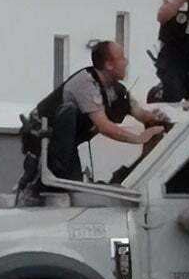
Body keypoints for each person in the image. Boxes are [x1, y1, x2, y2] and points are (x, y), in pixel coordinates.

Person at [21, 41, 165, 185]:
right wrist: (139, 138)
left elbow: (138, 112)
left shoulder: (115, 90)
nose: (126, 63)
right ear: (109, 65)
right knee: (67, 185)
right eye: (121, 58)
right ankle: (38, 185)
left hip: (67, 145)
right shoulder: (86, 83)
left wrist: (155, 118)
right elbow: (104, 126)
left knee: (74, 184)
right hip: (45, 140)